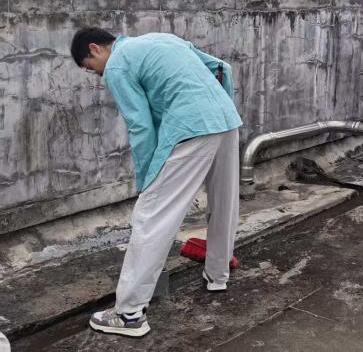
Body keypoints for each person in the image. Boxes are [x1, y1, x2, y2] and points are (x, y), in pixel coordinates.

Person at [70, 28, 242, 337]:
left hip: (191, 127)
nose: (95, 74)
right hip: (226, 120)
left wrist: (148, 177)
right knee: (224, 201)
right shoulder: (161, 39)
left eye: (89, 67)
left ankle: (129, 315)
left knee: (151, 216)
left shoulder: (118, 64)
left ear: (95, 48)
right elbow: (221, 68)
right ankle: (218, 275)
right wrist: (217, 113)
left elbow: (140, 126)